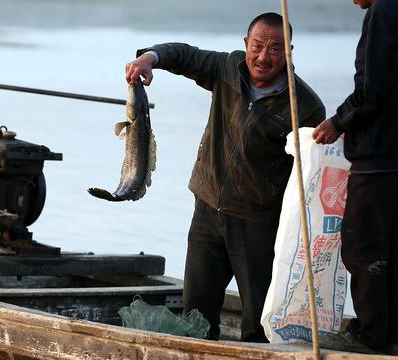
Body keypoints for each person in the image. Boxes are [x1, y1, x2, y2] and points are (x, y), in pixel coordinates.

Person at [126, 13, 325, 342]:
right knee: (195, 317)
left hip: (258, 222)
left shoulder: (304, 105)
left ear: (289, 52)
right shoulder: (227, 69)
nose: (263, 56)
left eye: (275, 49)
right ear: (246, 44)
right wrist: (149, 57)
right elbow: (184, 55)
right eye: (257, 46)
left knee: (259, 322)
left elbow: (310, 177)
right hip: (207, 208)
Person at [313, 0, 398, 355]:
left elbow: (371, 90)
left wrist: (338, 122)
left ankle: (370, 334)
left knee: (363, 246)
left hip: (381, 154)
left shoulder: (383, 11)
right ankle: (395, 332)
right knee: (393, 243)